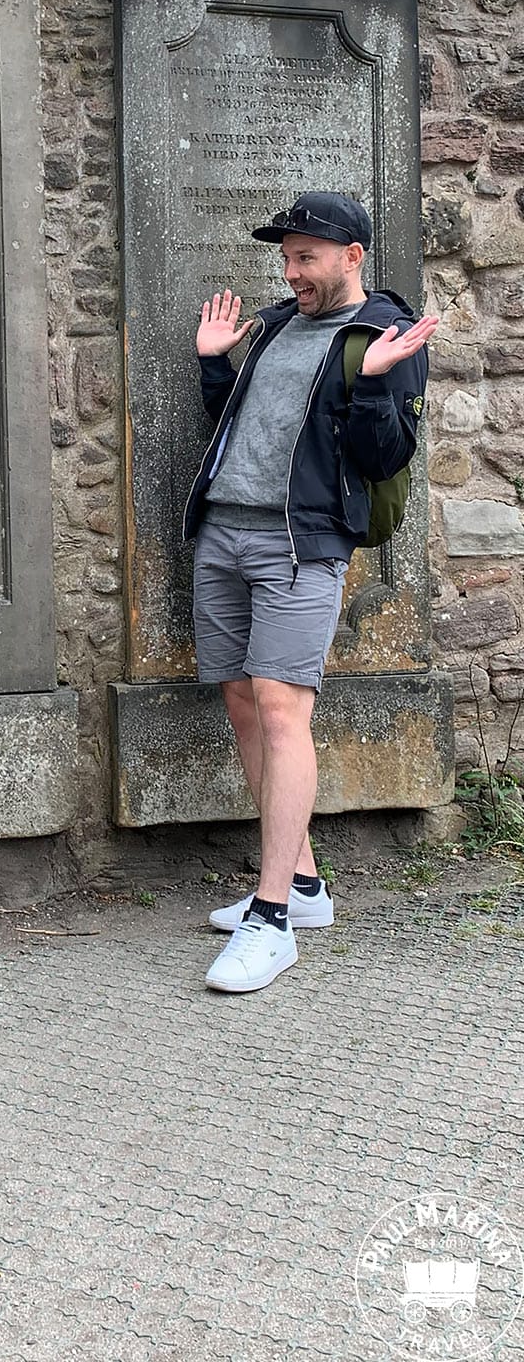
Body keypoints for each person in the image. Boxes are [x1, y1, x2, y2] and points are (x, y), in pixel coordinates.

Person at [184, 191, 438, 995]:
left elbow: (385, 454)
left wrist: (371, 382)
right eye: (287, 257)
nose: (292, 271)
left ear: (352, 256)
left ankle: (271, 921)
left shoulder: (383, 334)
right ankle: (303, 885)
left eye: (307, 258)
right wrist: (212, 362)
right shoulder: (277, 326)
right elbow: (240, 429)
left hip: (302, 542)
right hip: (224, 531)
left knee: (284, 707)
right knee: (242, 702)